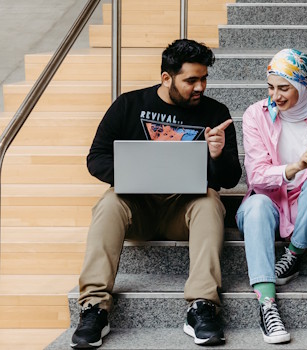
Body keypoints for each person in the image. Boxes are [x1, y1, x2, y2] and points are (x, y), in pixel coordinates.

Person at [70, 39, 241, 348]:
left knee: (210, 201)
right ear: (166, 78)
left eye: (204, 78)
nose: (200, 86)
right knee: (109, 202)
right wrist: (135, 177)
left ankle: (202, 306)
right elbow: (96, 159)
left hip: (183, 212)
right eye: (191, 80)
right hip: (139, 210)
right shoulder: (128, 105)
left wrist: (217, 156)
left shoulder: (216, 113)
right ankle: (94, 307)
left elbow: (231, 179)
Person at [237, 48, 307, 344]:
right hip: (267, 202)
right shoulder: (255, 114)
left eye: (285, 88)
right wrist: (295, 167)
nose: (276, 96)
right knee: (256, 206)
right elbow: (256, 176)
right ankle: (267, 305)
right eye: (271, 87)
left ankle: (293, 254)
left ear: (305, 85)